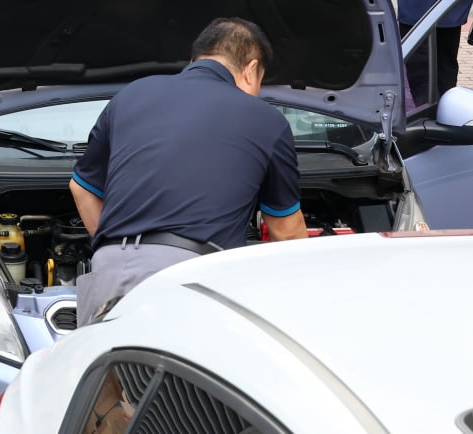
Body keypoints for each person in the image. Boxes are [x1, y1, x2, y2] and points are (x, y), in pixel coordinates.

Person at [70, 18, 308, 326]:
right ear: (251, 70)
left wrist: (119, 252)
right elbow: (287, 231)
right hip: (191, 281)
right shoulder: (266, 119)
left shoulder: (131, 95)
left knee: (100, 372)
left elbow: (82, 187)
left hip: (107, 269)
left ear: (195, 59)